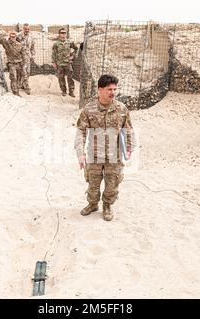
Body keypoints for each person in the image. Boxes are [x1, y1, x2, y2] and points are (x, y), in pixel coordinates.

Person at [74, 74, 134, 221]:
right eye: (109, 89)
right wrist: (80, 154)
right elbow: (80, 131)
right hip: (94, 155)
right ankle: (93, 204)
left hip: (114, 156)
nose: (112, 92)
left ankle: (107, 205)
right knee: (93, 184)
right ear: (100, 90)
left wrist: (128, 147)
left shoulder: (121, 109)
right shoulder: (89, 110)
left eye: (114, 89)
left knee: (112, 184)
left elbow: (128, 130)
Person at [52, 28, 78, 97]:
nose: (63, 34)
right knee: (61, 78)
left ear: (66, 34)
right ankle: (64, 91)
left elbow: (76, 49)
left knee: (70, 78)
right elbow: (54, 53)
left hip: (68, 63)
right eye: (61, 33)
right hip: (60, 64)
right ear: (59, 34)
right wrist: (53, 62)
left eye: (64, 33)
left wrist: (73, 56)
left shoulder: (70, 42)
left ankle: (71, 91)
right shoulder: (56, 44)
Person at [0, 31, 24, 96]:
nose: (13, 38)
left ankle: (16, 88)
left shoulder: (19, 45)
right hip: (11, 63)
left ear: (16, 37)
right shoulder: (7, 44)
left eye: (14, 37)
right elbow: (0, 39)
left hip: (19, 63)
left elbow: (23, 54)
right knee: (13, 77)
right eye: (11, 37)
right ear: (9, 37)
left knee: (19, 77)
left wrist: (24, 63)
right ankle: (15, 92)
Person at [17, 23, 35, 95]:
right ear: (23, 28)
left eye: (28, 29)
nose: (27, 30)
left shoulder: (31, 37)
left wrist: (33, 56)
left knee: (27, 72)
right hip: (20, 57)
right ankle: (26, 87)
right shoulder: (18, 36)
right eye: (25, 29)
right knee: (23, 72)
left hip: (27, 57)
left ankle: (21, 85)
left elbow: (32, 47)